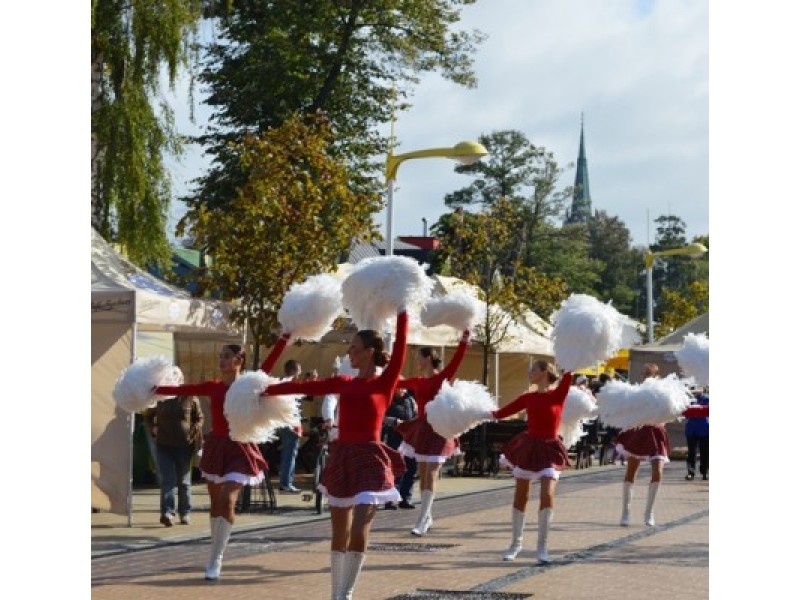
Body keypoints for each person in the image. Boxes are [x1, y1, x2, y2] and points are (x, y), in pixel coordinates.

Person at [264, 309, 409, 600]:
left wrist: (403, 308)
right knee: (338, 532)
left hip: (371, 459)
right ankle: (336, 595)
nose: (349, 353)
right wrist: (268, 388)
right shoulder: (344, 382)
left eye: (354, 348)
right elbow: (307, 386)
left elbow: (402, 346)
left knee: (359, 529)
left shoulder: (385, 382)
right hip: (342, 456)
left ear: (369, 353)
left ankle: (347, 593)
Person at [153, 334, 290, 581]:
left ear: (240, 360)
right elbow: (183, 389)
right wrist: (151, 390)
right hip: (216, 446)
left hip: (240, 446)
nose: (222, 360)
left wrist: (285, 335)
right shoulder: (214, 386)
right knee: (216, 504)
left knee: (227, 498)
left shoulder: (249, 385)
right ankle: (215, 549)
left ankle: (216, 557)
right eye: (220, 357)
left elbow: (268, 365)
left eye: (227, 356)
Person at [491, 359, 573, 563]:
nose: (530, 373)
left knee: (547, 494)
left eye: (534, 370)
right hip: (529, 447)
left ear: (545, 372)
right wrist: (474, 413)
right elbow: (501, 413)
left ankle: (542, 547)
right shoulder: (527, 397)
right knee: (521, 497)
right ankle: (515, 544)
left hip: (550, 449)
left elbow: (570, 369)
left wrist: (571, 350)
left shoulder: (558, 394)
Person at [395, 330, 471, 535]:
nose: (416, 360)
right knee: (423, 473)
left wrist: (464, 340)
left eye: (419, 356)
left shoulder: (441, 378)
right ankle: (426, 516)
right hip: (422, 430)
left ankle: (422, 518)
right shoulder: (418, 381)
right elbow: (396, 382)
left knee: (431, 472)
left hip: (438, 429)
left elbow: (456, 361)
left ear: (428, 358)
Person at [143, 371, 204, 527]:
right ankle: (167, 513)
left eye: (177, 379)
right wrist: (153, 428)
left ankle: (185, 512)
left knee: (183, 482)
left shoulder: (189, 396)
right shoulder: (161, 397)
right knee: (167, 480)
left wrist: (194, 430)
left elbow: (200, 417)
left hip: (185, 445)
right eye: (171, 379)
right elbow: (148, 415)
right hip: (164, 445)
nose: (174, 381)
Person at [615, 362, 669, 528]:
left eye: (649, 373)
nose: (646, 376)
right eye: (644, 373)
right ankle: (625, 511)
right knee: (631, 471)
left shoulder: (663, 392)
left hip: (657, 433)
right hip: (639, 432)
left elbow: (671, 411)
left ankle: (649, 512)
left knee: (658, 472)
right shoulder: (636, 392)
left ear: (656, 375)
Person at [382, 387, 418, 510]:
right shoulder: (388, 399)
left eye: (404, 387)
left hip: (409, 438)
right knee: (395, 468)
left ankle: (405, 498)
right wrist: (395, 421)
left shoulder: (411, 400)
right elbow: (381, 417)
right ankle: (391, 500)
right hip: (394, 437)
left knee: (411, 468)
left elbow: (416, 415)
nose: (402, 390)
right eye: (399, 387)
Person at [276, 359, 304, 493]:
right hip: (290, 423)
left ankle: (286, 481)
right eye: (298, 370)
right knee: (290, 453)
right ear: (293, 370)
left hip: (284, 422)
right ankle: (286, 482)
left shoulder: (282, 383)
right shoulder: (290, 384)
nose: (300, 373)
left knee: (288, 453)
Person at [684, 387, 709, 481]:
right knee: (691, 452)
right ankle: (691, 473)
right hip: (691, 429)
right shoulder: (687, 399)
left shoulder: (707, 399)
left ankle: (705, 472)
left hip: (705, 429)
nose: (695, 390)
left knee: (705, 452)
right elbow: (685, 412)